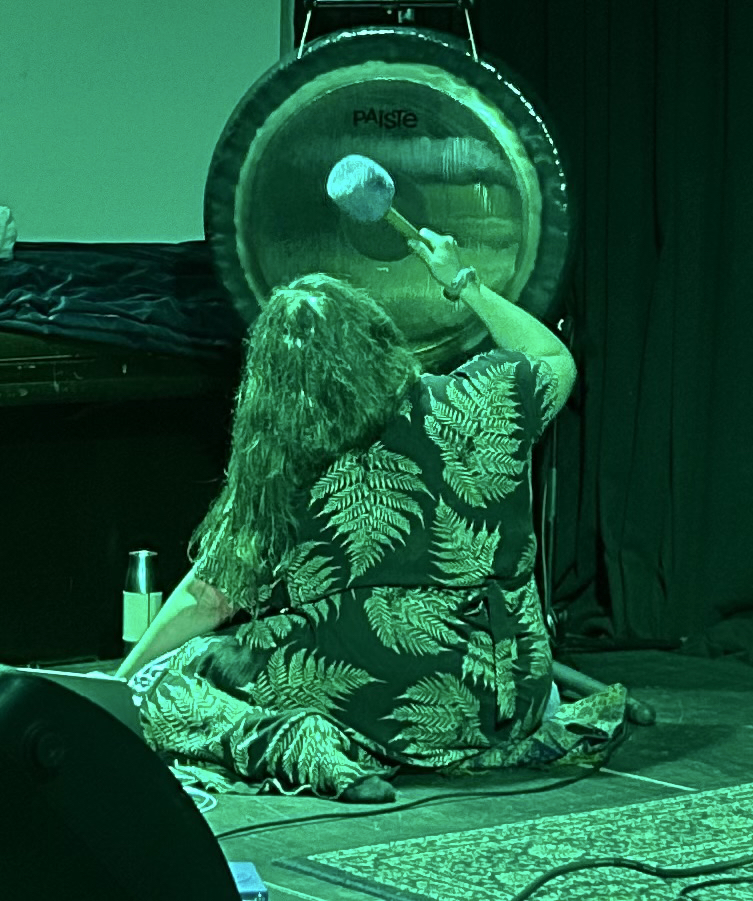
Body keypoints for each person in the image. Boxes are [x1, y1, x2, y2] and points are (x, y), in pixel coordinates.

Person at [115, 228, 628, 802]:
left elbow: (210, 599)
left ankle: (300, 745)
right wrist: (464, 283)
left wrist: (120, 682)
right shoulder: (471, 403)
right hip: (502, 701)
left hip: (374, 706)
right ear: (378, 336)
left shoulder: (280, 465)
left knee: (171, 682)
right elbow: (553, 359)